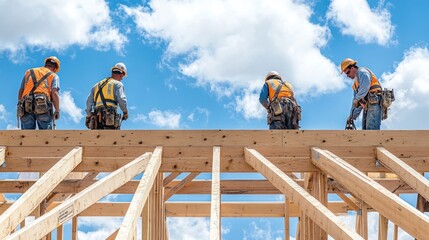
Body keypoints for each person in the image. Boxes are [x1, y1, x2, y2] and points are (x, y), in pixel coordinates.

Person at [17, 56, 61, 130]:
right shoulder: (54, 75)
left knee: (26, 136)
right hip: (43, 104)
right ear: (55, 68)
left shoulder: (29, 72)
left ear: (45, 65)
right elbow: (54, 92)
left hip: (26, 103)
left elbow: (21, 90)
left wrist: (20, 104)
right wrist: (57, 110)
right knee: (46, 137)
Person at [341, 58, 382, 130]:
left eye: (348, 72)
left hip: (374, 100)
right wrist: (351, 116)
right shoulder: (356, 84)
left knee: (371, 129)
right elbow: (356, 103)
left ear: (353, 67)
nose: (347, 75)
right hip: (368, 104)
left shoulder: (362, 72)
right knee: (365, 131)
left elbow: (365, 87)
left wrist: (357, 99)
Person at [85, 63, 129, 129]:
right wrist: (125, 112)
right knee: (112, 138)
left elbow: (88, 101)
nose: (122, 78)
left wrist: (89, 115)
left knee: (96, 138)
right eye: (122, 76)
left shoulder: (97, 85)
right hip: (109, 119)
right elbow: (121, 100)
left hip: (96, 120)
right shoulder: (118, 84)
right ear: (121, 74)